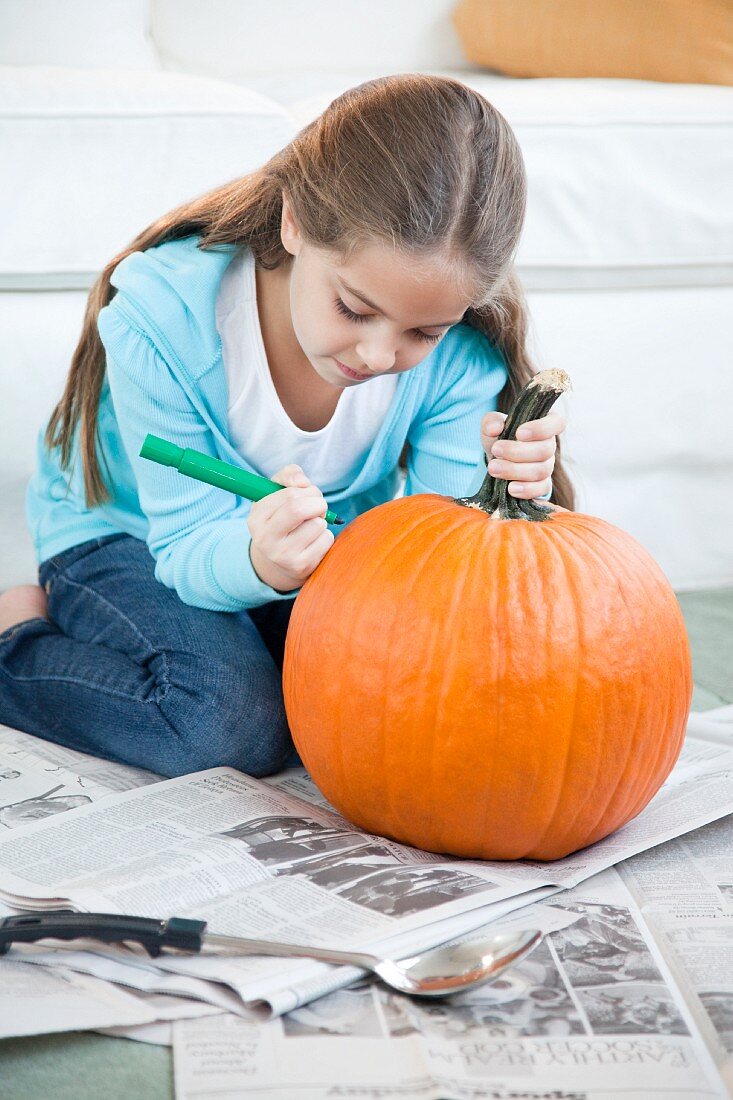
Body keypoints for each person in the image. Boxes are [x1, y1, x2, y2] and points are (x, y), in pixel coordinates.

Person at [0, 74, 573, 778]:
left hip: (302, 554)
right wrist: (261, 565)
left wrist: (501, 491)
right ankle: (16, 641)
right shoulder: (162, 321)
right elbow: (183, 549)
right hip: (131, 535)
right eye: (354, 309)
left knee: (370, 707)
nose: (377, 356)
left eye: (421, 331)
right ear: (295, 221)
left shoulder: (460, 361)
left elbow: (441, 568)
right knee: (228, 726)